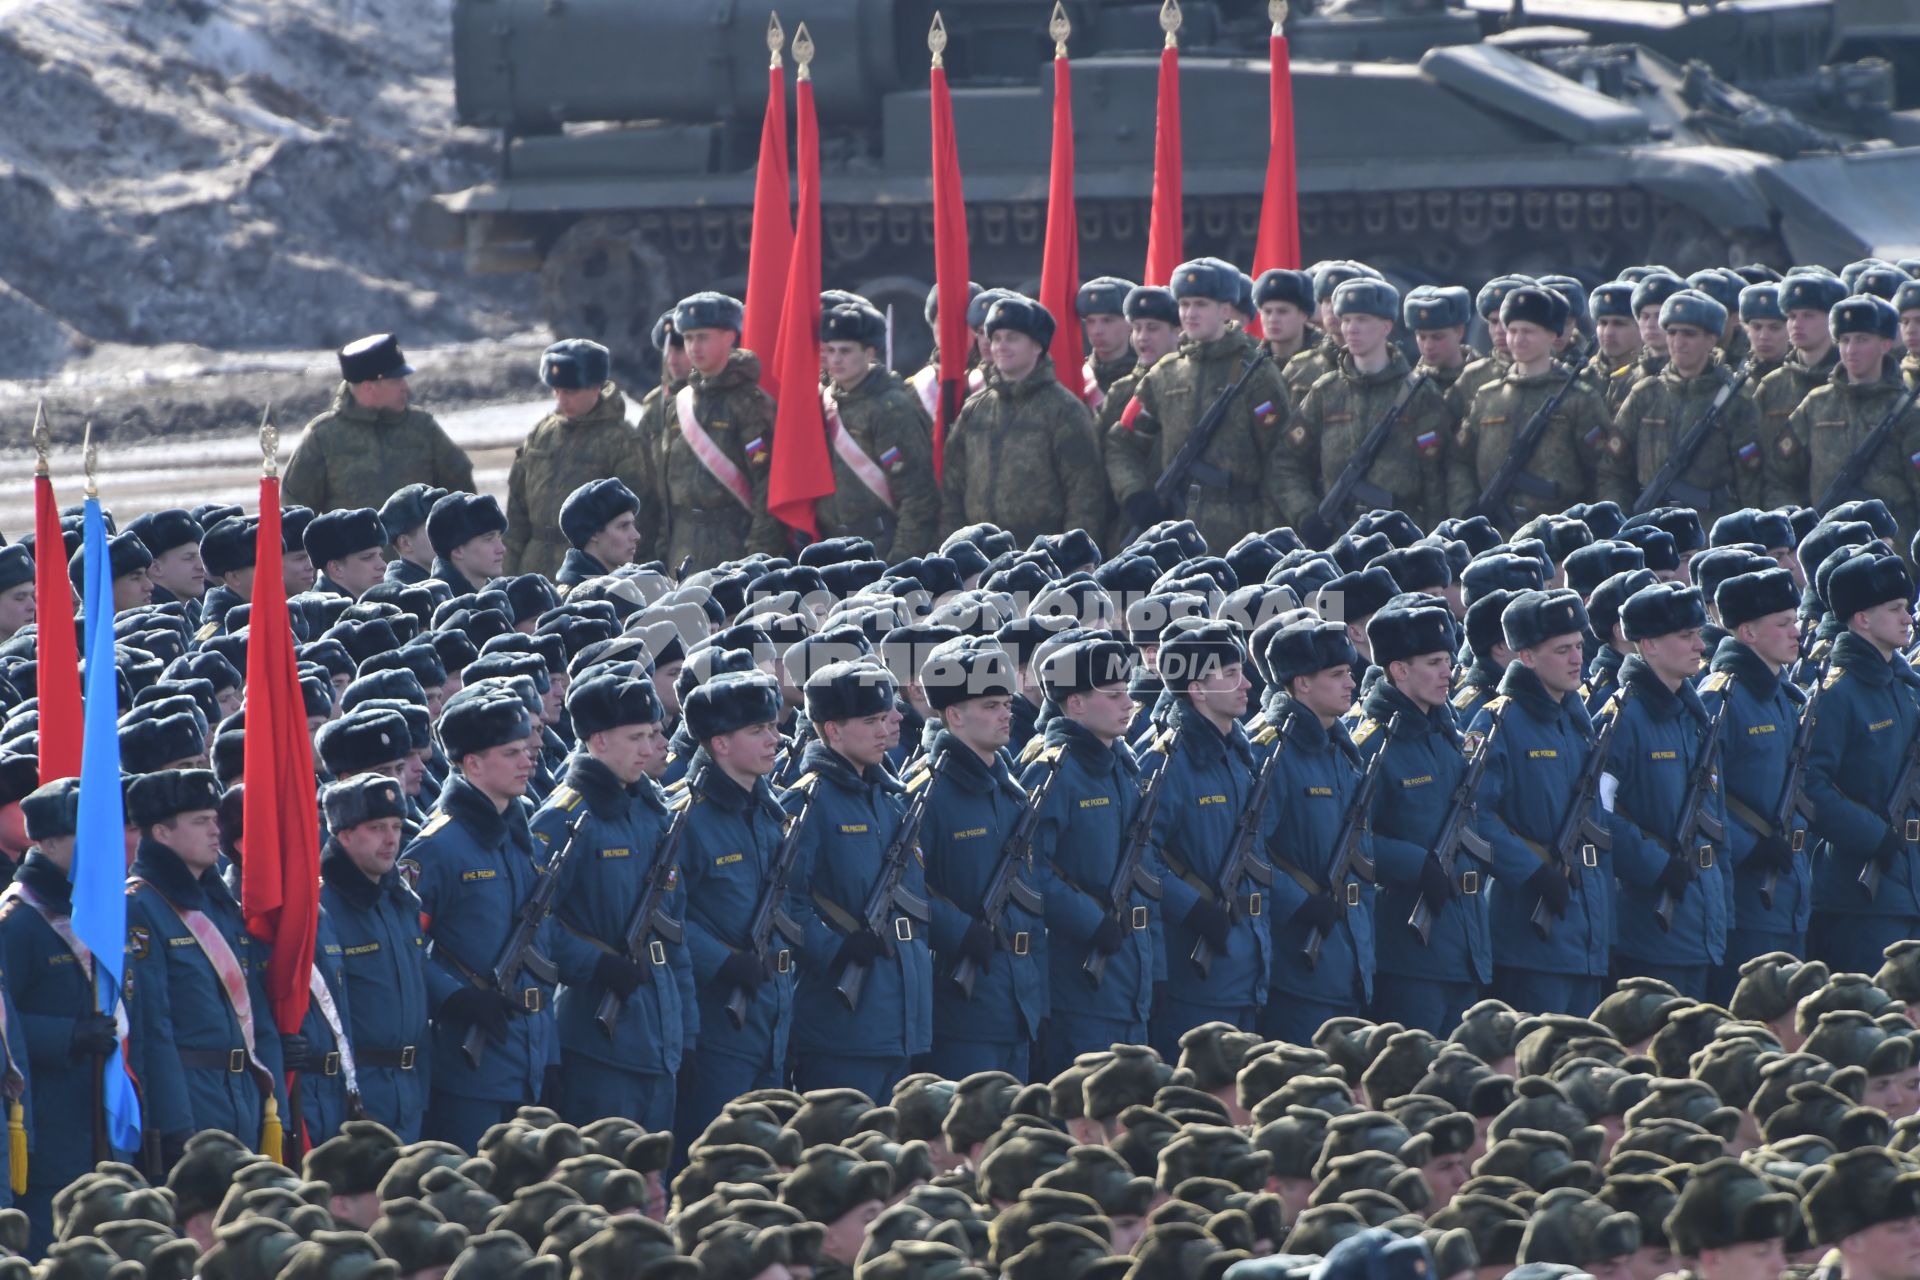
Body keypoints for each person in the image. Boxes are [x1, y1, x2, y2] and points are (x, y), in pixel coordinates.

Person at [535, 672, 694, 1133]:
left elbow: (673, 930)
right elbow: (534, 925)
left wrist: (689, 1037)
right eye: (636, 737)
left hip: (658, 1033)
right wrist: (595, 964)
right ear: (599, 740)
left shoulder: (653, 811)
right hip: (597, 1038)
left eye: (652, 734)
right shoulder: (566, 816)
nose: (650, 747)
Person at [408, 684, 556, 1151]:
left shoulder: (520, 831)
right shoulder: (437, 846)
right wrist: (454, 998)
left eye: (526, 749)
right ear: (472, 764)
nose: (527, 759)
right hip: (470, 1061)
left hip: (527, 1048)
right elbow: (405, 945)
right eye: (510, 752)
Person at [783, 660, 932, 1100]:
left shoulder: (889, 798)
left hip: (901, 1013)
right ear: (832, 730)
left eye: (883, 718)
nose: (885, 729)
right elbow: (785, 903)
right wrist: (835, 947)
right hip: (843, 1020)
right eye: (869, 721)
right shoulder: (809, 802)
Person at [124, 768, 286, 1172]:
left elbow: (254, 1009)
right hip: (193, 1094)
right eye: (200, 822)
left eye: (215, 819)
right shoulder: (141, 907)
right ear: (161, 833)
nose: (215, 831)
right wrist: (177, 1127)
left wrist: (273, 1096)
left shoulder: (218, 903)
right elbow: (154, 1027)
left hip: (243, 1092)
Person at [1471, 589, 1615, 1016]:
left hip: (1584, 928)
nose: (1577, 659)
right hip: (1529, 931)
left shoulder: (1577, 719)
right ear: (1527, 657)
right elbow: (1476, 816)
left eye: (1578, 646)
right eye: (1562, 649)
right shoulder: (1499, 721)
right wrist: (1532, 872)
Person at [913, 637, 1048, 1080]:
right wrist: (960, 932)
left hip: (1019, 996)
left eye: (1006, 703)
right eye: (991, 705)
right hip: (963, 1005)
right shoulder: (928, 793)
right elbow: (905, 892)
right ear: (954, 715)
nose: (1006, 713)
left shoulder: (1008, 785)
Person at [1025, 637, 1159, 1078]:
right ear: (1077, 704)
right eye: (1114, 695)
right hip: (1079, 979)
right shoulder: (1054, 770)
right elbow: (1029, 871)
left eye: (1127, 691)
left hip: (1129, 973)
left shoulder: (1120, 762)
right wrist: (1090, 920)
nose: (1129, 703)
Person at [1139, 620, 1270, 1060]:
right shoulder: (1169, 762)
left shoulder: (1237, 749)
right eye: (1230, 674)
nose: (1246, 683)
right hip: (1197, 972)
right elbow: (1141, 856)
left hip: (1248, 962)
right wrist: (1191, 908)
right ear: (1197, 689)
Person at [673, 671, 794, 1144]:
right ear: (720, 744)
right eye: (758, 730)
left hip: (772, 1018)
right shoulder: (687, 817)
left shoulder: (767, 810)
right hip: (718, 1024)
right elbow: (667, 915)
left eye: (772, 726)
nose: (774, 738)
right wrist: (723, 962)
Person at [1359, 602, 1491, 1034]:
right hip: (1410, 950)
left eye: (1449, 663)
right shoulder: (1374, 743)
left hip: (1465, 941)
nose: (1447, 673)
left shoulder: (1447, 732)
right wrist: (1414, 864)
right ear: (1398, 670)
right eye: (1434, 663)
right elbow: (1352, 843)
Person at [1598, 581, 1728, 1000]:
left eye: (1698, 633)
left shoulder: (1692, 714)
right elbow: (1597, 815)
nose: (1699, 644)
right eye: (1686, 636)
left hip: (1701, 915)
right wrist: (1654, 864)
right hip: (1653, 920)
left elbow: (1713, 815)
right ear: (1648, 644)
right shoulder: (1623, 717)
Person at [1106, 258, 1289, 552]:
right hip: (1175, 533)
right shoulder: (1165, 373)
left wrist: (1269, 532)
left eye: (1201, 304)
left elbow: (1280, 456)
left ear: (1225, 308)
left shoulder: (1255, 372)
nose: (1190, 313)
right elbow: (1121, 442)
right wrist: (1135, 494)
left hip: (1241, 531)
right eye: (1185, 304)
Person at [1802, 548, 1920, 973]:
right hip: (1863, 890)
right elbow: (1808, 784)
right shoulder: (1837, 693)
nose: (1908, 617)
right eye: (1894, 608)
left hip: (1910, 883)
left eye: (1907, 607)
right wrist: (1873, 836)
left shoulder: (1906, 686)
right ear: (1862, 619)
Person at [1257, 620, 1372, 1044]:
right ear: (1301, 683)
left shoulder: (1342, 750)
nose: (1351, 682)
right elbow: (1252, 850)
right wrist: (1299, 903)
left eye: (1350, 672)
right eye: (1337, 674)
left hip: (1350, 954)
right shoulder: (1276, 752)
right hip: (1300, 961)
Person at [1699, 567, 1810, 1003]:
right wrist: (1749, 846)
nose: (1795, 631)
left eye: (1794, 620)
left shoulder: (1783, 694)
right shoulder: (1722, 696)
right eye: (1782, 624)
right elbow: (1701, 797)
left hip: (1790, 890)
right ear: (1747, 632)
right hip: (1749, 895)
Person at [1277, 277, 1454, 534]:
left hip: (1400, 535)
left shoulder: (1418, 394)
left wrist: (1430, 540)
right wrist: (1305, 514)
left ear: (1385, 326)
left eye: (1361, 320)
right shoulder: (1326, 392)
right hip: (1336, 535)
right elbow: (1286, 462)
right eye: (1346, 320)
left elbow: (1436, 478)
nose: (1351, 328)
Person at [0, 779, 93, 1250]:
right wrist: (69, 1036)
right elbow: (5, 1024)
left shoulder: (95, 908)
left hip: (101, 1114)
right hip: (51, 1118)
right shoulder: (17, 921)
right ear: (49, 841)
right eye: (83, 835)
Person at [318, 776, 432, 1142]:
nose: (391, 839)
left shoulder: (398, 899)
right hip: (359, 1091)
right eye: (376, 827)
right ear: (344, 834)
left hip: (410, 1089)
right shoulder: (323, 908)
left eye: (396, 826)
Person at [941, 296, 1106, 547]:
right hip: (979, 554)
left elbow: (1085, 494)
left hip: (1041, 557)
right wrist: (954, 548)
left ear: (1037, 346)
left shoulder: (1064, 409)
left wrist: (1072, 556)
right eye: (996, 338)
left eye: (1012, 338)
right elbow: (952, 487)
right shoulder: (975, 408)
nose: (1001, 346)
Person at [1448, 286, 1611, 528]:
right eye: (1512, 330)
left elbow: (1605, 470)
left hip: (1561, 530)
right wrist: (1467, 512)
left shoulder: (1579, 398)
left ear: (1551, 335)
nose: (1518, 339)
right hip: (1495, 529)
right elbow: (1460, 460)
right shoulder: (1488, 396)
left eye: (1528, 331)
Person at [1600, 288, 1762, 531]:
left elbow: (1752, 480)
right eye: (1672, 332)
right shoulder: (1645, 394)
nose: (1678, 342)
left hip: (1710, 529)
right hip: (1649, 526)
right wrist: (1621, 520)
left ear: (1711, 339)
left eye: (1689, 334)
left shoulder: (1735, 399)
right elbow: (1612, 470)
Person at [654, 293, 783, 569]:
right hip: (683, 546)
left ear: (728, 336)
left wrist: (759, 553)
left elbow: (766, 484)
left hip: (735, 545)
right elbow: (665, 485)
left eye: (702, 337)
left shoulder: (750, 403)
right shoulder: (679, 403)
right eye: (688, 338)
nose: (693, 347)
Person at [503, 339, 648, 580]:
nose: (561, 400)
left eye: (570, 391)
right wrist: (507, 572)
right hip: (534, 567)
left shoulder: (621, 439)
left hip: (590, 569)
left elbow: (639, 519)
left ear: (595, 387)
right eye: (557, 391)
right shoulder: (542, 434)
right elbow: (517, 512)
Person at [283, 334, 475, 513]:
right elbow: (295, 511)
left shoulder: (423, 428)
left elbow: (463, 495)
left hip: (420, 550)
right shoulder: (322, 437)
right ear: (369, 387)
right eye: (396, 380)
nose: (405, 388)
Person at [1773, 295, 1920, 528]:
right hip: (1827, 543)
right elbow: (1779, 475)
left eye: (1862, 339)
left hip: (1892, 549)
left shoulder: (1909, 414)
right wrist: (1794, 527)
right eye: (1844, 340)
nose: (1851, 350)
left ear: (1886, 344)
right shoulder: (1817, 404)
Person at [816, 303, 939, 560]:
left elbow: (918, 496)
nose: (835, 359)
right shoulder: (823, 402)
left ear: (869, 352)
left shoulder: (891, 407)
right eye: (830, 350)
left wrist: (899, 561)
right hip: (830, 546)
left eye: (846, 351)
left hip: (880, 546)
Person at [1757, 271, 1847, 504]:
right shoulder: (1772, 386)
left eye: (1808, 315)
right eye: (1792, 316)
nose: (1797, 324)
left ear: (1831, 319)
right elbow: (1759, 467)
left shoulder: (1850, 381)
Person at [554, 478, 642, 590]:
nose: (636, 536)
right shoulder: (580, 601)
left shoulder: (629, 586)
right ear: (594, 534)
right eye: (623, 526)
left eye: (633, 525)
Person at [425, 492, 509, 596]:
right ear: (458, 551)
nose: (502, 549)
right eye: (489, 539)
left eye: (499, 537)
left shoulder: (504, 597)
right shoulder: (432, 605)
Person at [1076, 277, 1139, 413]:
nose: (1096, 330)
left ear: (1130, 324)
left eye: (1107, 320)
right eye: (1091, 321)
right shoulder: (1078, 375)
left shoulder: (1145, 377)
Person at [304, 507, 391, 600]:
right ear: (336, 568)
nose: (383, 565)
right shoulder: (315, 613)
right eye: (368, 557)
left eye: (380, 556)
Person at [1404, 285, 1473, 394]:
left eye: (1437, 337)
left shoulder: (1484, 378)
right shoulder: (1408, 387)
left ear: (1459, 332)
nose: (1428, 346)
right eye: (1422, 337)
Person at [1254, 268, 1320, 370]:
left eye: (1282, 311)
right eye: (1267, 312)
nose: (1273, 319)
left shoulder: (1323, 362)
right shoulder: (1249, 363)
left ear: (1304, 315)